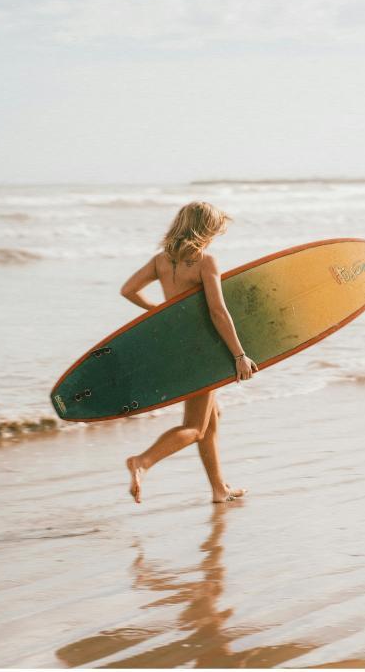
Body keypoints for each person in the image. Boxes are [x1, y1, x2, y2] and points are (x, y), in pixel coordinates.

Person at [120, 201, 258, 504]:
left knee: (213, 416)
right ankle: (142, 462)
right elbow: (218, 313)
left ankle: (219, 488)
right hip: (200, 351)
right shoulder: (205, 261)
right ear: (205, 229)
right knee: (195, 427)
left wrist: (160, 310)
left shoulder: (161, 260)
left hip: (176, 348)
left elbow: (128, 290)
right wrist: (239, 355)